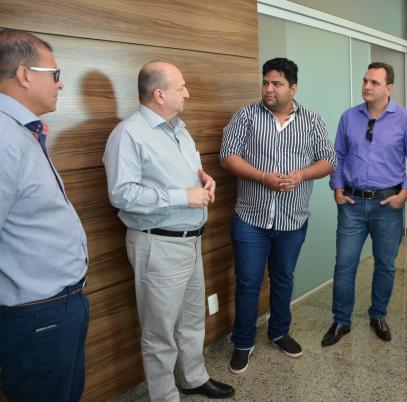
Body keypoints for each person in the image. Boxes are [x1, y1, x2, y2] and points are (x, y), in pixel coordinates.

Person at [103, 61, 234, 401]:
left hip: (191, 241)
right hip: (158, 245)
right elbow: (122, 194)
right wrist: (182, 196)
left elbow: (186, 175)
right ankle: (164, 396)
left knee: (191, 319)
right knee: (159, 332)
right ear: (159, 94)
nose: (187, 93)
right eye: (181, 87)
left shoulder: (179, 130)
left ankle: (193, 378)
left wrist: (204, 180)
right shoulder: (128, 134)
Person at [220, 57, 336, 374]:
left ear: (293, 88)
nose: (269, 89)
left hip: (292, 219)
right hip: (251, 219)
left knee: (283, 278)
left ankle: (279, 332)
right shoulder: (246, 115)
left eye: (277, 84)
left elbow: (329, 160)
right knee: (248, 282)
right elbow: (227, 157)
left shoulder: (312, 120)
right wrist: (262, 177)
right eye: (266, 82)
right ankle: (243, 342)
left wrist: (301, 175)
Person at [0, 30, 89, 401]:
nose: (60, 83)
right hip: (35, 314)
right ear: (24, 75)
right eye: (55, 74)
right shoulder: (4, 138)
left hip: (57, 306)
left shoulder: (22, 132)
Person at [321, 62, 407, 347]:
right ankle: (341, 320)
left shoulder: (405, 120)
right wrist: (337, 189)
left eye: (374, 82)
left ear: (389, 88)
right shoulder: (349, 117)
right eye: (365, 80)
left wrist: (404, 194)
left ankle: (378, 315)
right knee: (344, 265)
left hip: (388, 205)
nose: (366, 86)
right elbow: (337, 155)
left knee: (385, 265)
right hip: (351, 204)